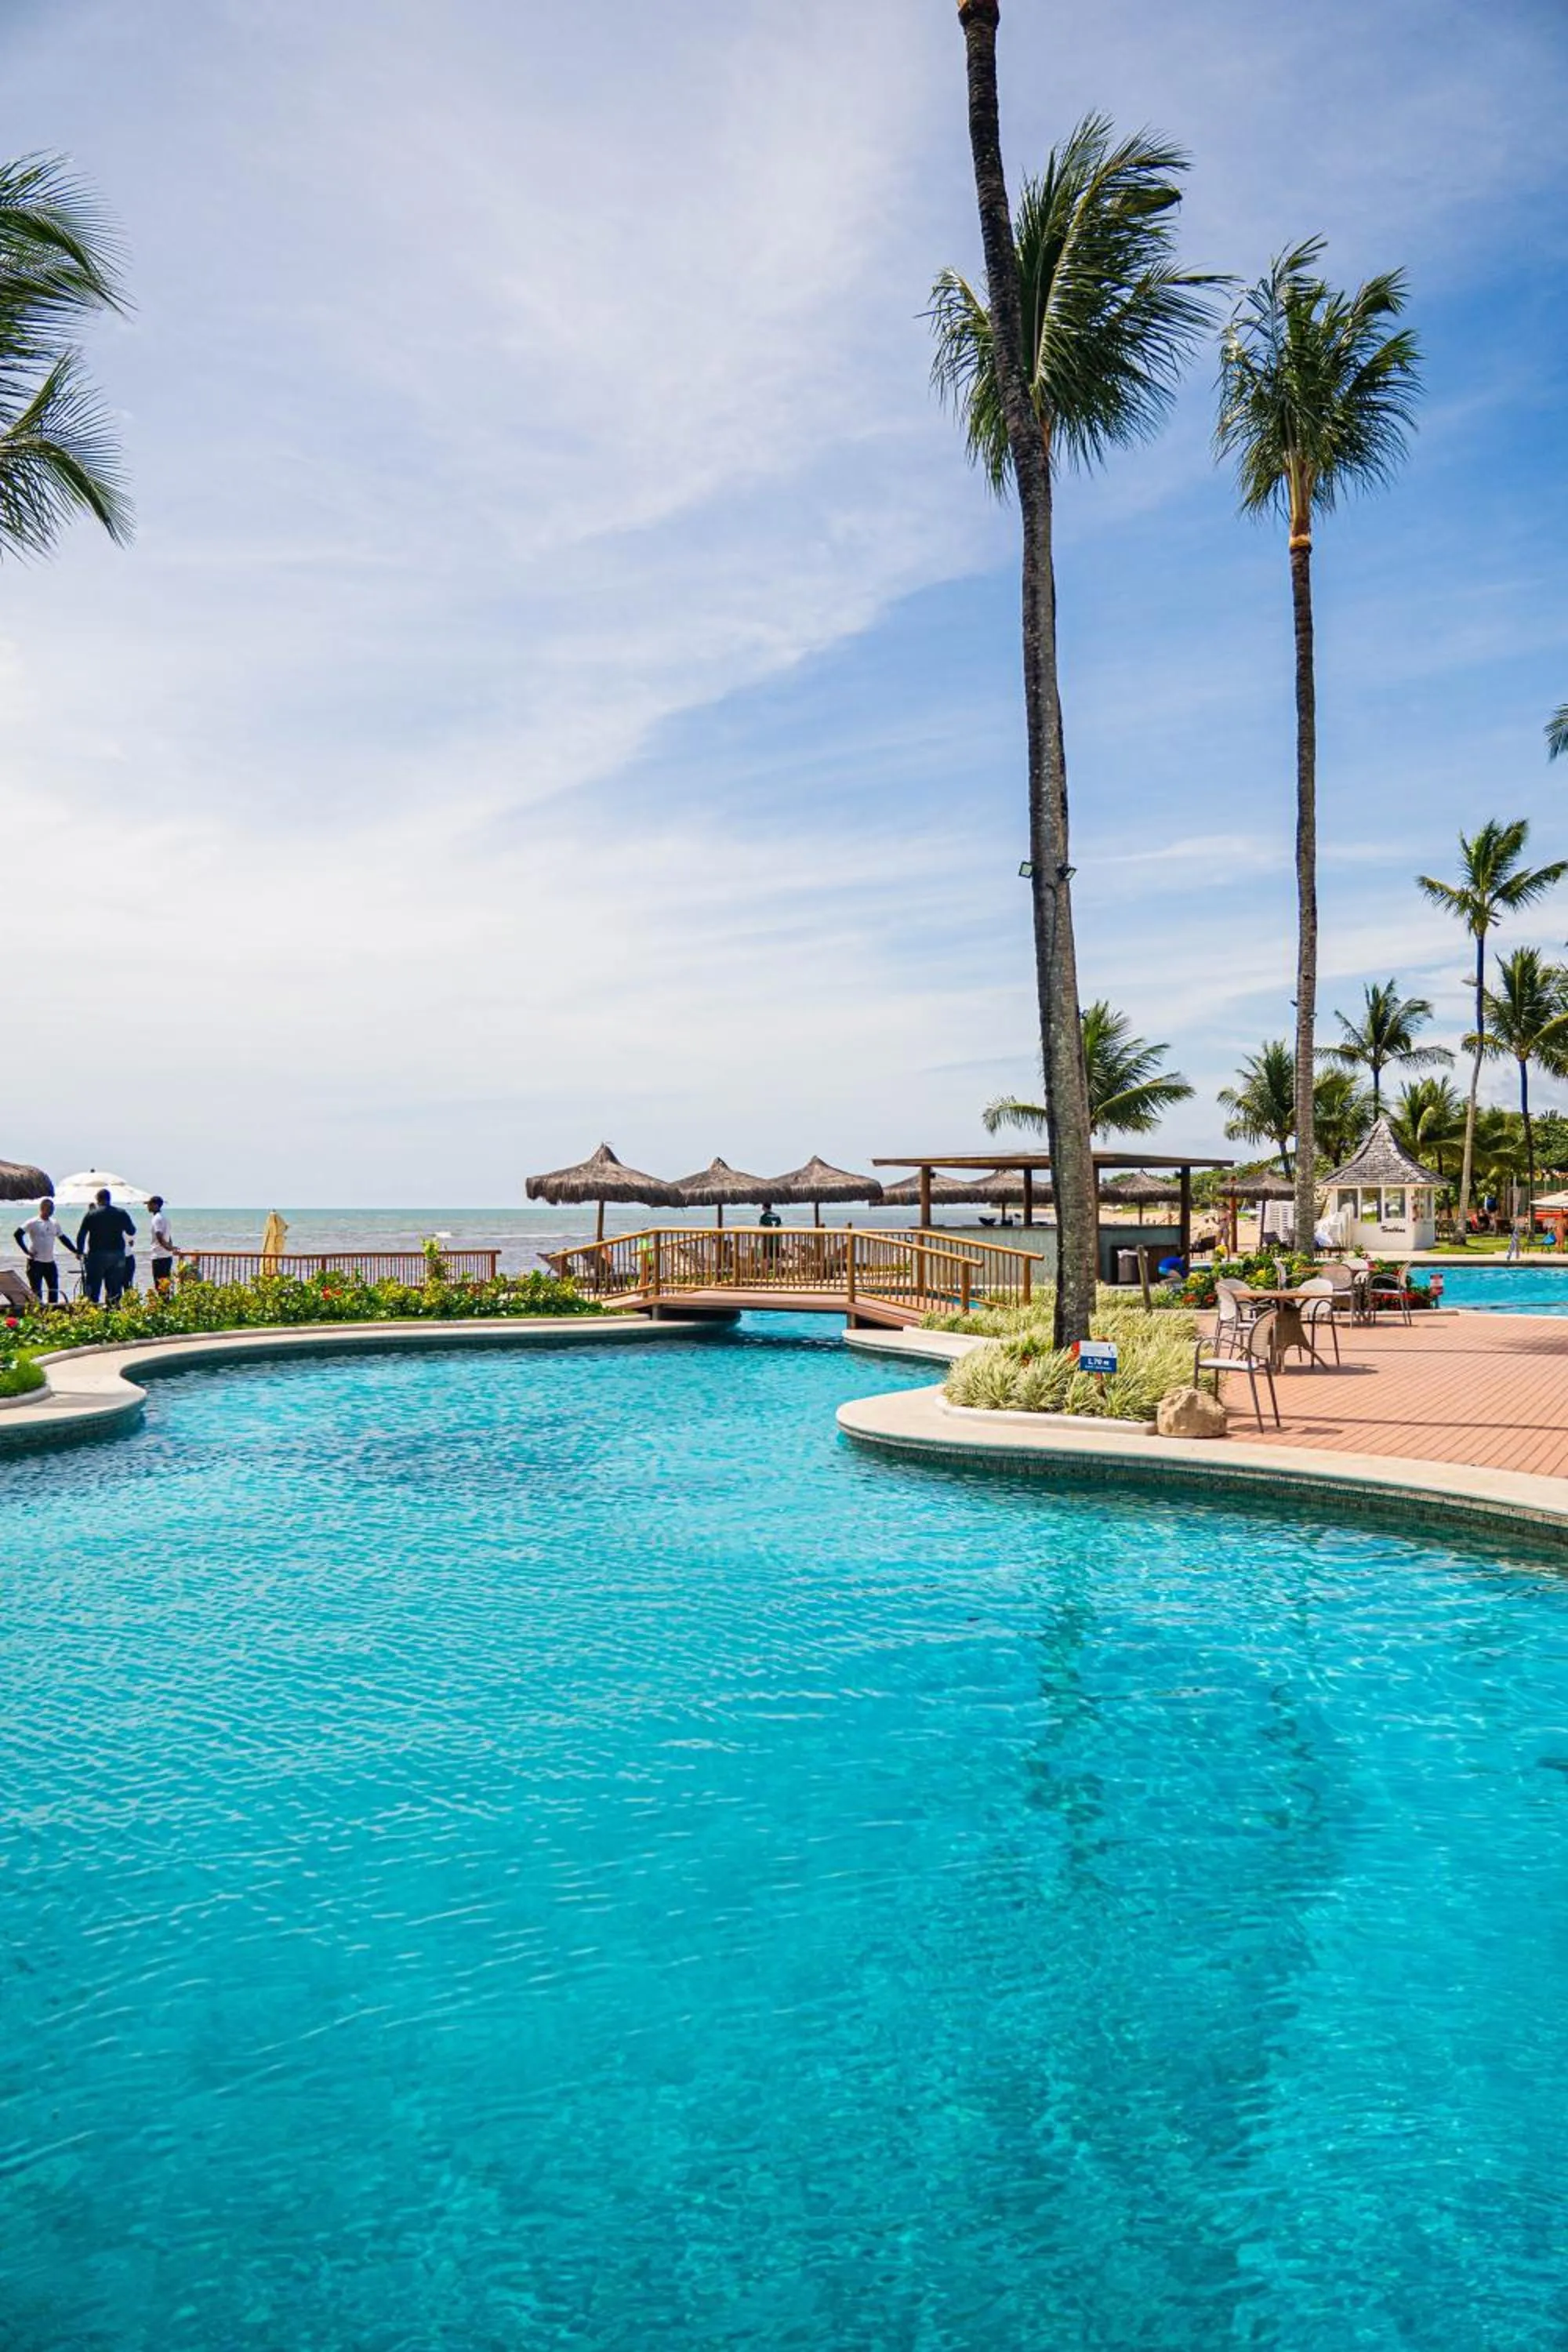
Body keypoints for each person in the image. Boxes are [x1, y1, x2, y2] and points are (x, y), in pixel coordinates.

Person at [12, 1196, 78, 1305]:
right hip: (35, 1262)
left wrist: (75, 1251)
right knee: (36, 1292)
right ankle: (38, 1312)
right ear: (42, 1208)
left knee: (54, 1290)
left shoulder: (54, 1223)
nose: (52, 1211)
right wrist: (26, 1251)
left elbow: (63, 1238)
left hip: (50, 1262)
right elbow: (17, 1234)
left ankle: (53, 1312)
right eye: (49, 1209)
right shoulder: (33, 1222)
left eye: (53, 1209)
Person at [75, 1187, 136, 1305]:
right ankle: (113, 1310)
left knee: (93, 1286)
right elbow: (131, 1231)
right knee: (115, 1287)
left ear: (98, 1200)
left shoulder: (91, 1214)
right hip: (117, 1255)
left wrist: (79, 1252)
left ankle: (93, 1310)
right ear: (110, 1199)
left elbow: (81, 1235)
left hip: (96, 1255)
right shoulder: (121, 1213)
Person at [147, 1195, 183, 1293]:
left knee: (160, 1286)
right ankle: (166, 1301)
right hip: (166, 1256)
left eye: (149, 1204)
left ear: (156, 1205)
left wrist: (169, 1248)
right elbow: (168, 1236)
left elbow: (159, 1236)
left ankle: (163, 1302)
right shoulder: (164, 1218)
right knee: (165, 1285)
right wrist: (170, 1247)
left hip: (159, 1257)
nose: (148, 1206)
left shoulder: (157, 1219)